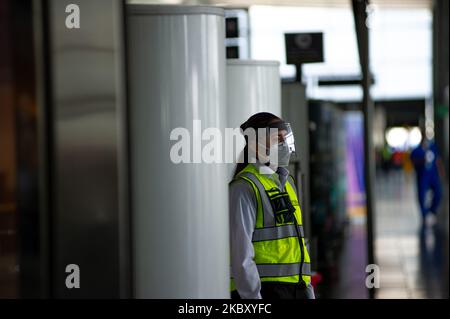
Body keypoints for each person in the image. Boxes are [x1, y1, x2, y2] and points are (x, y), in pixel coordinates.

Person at [229, 112, 315, 299]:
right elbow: (240, 257)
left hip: (295, 290)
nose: (284, 143)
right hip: (266, 293)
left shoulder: (287, 183)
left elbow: (296, 244)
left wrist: (307, 288)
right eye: (277, 137)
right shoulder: (244, 187)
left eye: (286, 137)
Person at [410, 128, 445, 226]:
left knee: (438, 193)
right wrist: (422, 160)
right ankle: (424, 214)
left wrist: (441, 172)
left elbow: (438, 160)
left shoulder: (433, 147)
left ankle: (432, 210)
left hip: (433, 175)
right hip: (422, 176)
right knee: (422, 195)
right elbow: (413, 162)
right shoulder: (416, 151)